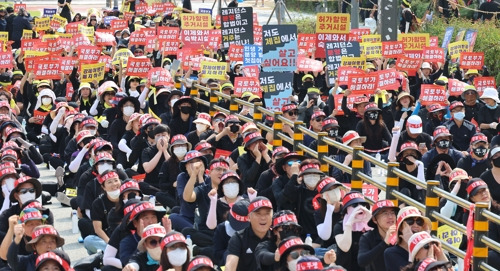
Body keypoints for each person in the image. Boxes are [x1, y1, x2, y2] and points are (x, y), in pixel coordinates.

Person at [225, 197, 273, 271]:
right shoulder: (238, 238)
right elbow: (230, 267)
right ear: (249, 217)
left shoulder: (277, 236)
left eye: (267, 213)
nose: (263, 218)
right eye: (258, 213)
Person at [384, 206, 432, 271]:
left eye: (419, 221)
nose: (416, 225)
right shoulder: (391, 253)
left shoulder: (428, 247)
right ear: (400, 227)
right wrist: (411, 241)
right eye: (410, 221)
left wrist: (428, 242)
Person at [334, 191, 372, 271]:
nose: (359, 208)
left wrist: (371, 222)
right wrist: (349, 224)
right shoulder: (339, 226)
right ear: (346, 209)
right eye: (354, 205)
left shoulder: (369, 226)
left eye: (362, 204)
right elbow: (345, 247)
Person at [358, 200, 398, 271]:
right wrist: (385, 243)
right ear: (374, 219)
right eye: (385, 213)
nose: (390, 217)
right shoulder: (367, 237)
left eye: (392, 213)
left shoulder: (401, 234)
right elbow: (362, 261)